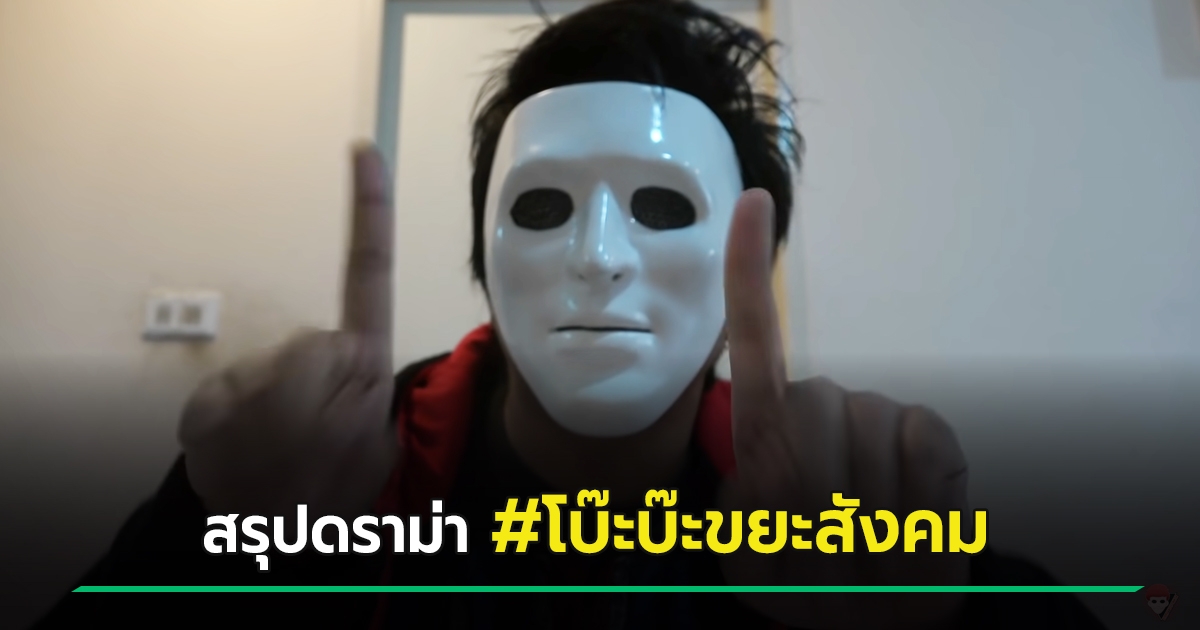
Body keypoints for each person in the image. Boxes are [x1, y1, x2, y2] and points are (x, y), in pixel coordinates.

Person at [35, 1, 1107, 628]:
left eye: (662, 208)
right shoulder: (325, 483)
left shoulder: (841, 516)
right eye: (544, 208)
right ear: (486, 254)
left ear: (751, 264)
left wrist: (927, 624)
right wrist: (217, 545)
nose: (597, 258)